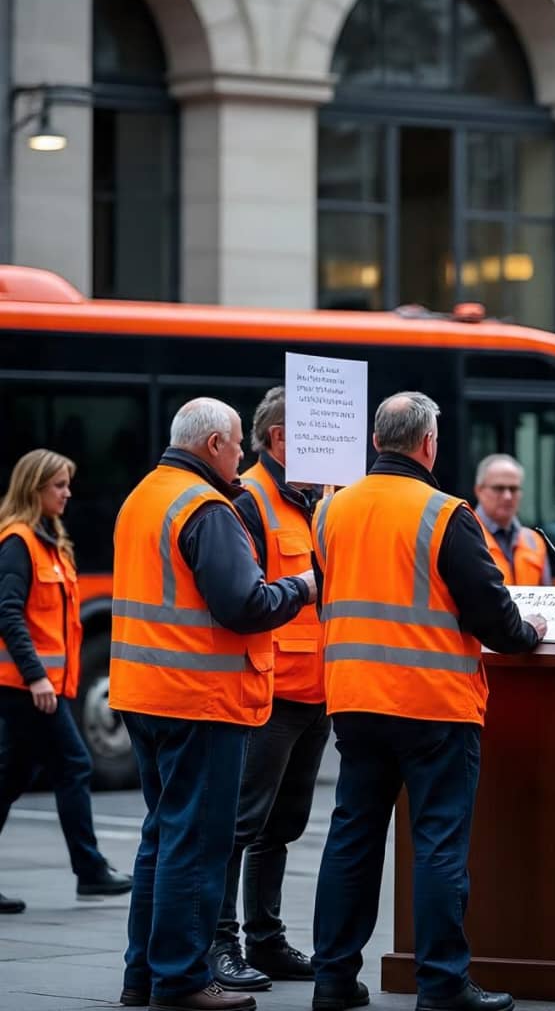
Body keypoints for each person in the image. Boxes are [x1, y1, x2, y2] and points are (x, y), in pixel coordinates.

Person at [309, 391, 546, 1011]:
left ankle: (332, 979)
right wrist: (529, 636)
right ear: (428, 445)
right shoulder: (446, 514)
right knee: (438, 844)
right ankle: (441, 985)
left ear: (375, 442)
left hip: (354, 698)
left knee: (352, 838)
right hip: (433, 704)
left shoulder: (331, 512)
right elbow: (492, 613)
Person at [110, 397, 317, 1011]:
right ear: (213, 446)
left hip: (143, 694)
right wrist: (303, 587)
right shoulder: (207, 507)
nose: (240, 457)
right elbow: (244, 604)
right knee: (194, 845)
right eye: (233, 446)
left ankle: (143, 975)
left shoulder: (144, 495)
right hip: (198, 699)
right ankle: (181, 980)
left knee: (162, 838)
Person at [209, 387, 331, 991]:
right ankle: (220, 943)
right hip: (269, 692)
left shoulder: (317, 503)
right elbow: (248, 595)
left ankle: (266, 938)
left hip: (317, 692)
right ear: (281, 438)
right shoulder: (250, 500)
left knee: (282, 826)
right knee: (240, 825)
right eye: (316, 435)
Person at [0, 449, 132, 914]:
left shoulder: (48, 540)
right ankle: (91, 871)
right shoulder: (18, 542)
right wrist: (37, 677)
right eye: (58, 485)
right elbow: (8, 614)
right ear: (34, 488)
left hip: (41, 685)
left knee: (12, 775)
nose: (68, 493)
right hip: (26, 686)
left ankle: (91, 870)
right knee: (75, 764)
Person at [473, 454, 550, 585]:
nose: (508, 496)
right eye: (499, 488)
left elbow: (547, 597)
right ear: (479, 490)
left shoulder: (535, 541)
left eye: (513, 489)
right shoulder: (463, 534)